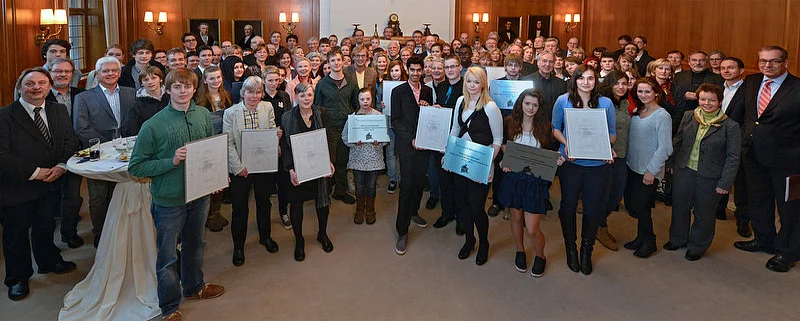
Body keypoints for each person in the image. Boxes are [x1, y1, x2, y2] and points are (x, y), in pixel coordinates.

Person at [128, 68, 225, 320]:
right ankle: (170, 307)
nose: (183, 91)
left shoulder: (203, 114)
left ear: (195, 89)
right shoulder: (153, 125)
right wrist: (170, 161)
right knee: (168, 256)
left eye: (188, 87)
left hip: (200, 195)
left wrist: (215, 177)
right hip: (169, 200)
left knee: (195, 245)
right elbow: (136, 167)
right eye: (178, 87)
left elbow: (209, 150)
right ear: (168, 89)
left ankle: (194, 287)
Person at [1, 67, 80, 301]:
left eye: (41, 83)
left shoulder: (58, 110)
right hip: (17, 186)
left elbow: (70, 140)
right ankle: (17, 278)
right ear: (19, 87)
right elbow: (2, 155)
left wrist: (62, 165)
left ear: (49, 87)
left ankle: (48, 261)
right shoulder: (5, 115)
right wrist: (36, 172)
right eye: (30, 84)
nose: (36, 88)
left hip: (51, 182)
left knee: (45, 226)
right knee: (16, 235)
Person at [734, 46, 800, 272]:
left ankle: (787, 252)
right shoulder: (751, 82)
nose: (767, 65)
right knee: (759, 200)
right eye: (762, 61)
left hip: (788, 160)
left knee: (789, 208)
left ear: (785, 63)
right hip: (753, 155)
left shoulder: (797, 87)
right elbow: (741, 113)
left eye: (773, 61)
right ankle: (764, 240)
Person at [551, 65, 616, 275]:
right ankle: (571, 247)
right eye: (581, 78)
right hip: (571, 162)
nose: (586, 82)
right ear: (574, 80)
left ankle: (587, 251)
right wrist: (567, 142)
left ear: (596, 81)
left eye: (590, 78)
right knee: (568, 206)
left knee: (592, 208)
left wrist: (606, 146)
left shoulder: (606, 103)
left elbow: (612, 133)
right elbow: (555, 129)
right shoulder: (563, 100)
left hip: (598, 165)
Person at [665, 83, 740, 261]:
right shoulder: (689, 116)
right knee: (680, 207)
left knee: (704, 213)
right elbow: (678, 140)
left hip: (710, 176)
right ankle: (678, 239)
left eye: (711, 100)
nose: (706, 103)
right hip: (685, 170)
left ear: (720, 101)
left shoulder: (731, 126)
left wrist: (725, 183)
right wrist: (671, 162)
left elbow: (733, 157)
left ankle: (697, 246)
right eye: (703, 99)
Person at [73, 56, 136, 248]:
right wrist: (110, 146)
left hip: (128, 153)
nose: (110, 74)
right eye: (105, 71)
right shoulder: (83, 97)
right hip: (99, 154)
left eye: (114, 70)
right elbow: (81, 128)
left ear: (119, 73)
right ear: (97, 74)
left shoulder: (131, 93)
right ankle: (100, 233)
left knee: (124, 192)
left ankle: (124, 231)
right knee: (99, 196)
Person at [498, 89, 562, 276]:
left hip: (535, 181)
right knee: (516, 218)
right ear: (521, 103)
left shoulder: (546, 127)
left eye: (535, 105)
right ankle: (520, 249)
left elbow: (552, 151)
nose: (530, 108)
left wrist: (556, 159)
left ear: (539, 107)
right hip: (514, 177)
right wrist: (507, 158)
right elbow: (503, 143)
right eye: (527, 103)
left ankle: (540, 255)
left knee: (533, 227)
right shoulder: (509, 122)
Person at [447, 66, 503, 266]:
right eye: (469, 81)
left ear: (483, 84)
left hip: (481, 163)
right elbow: (455, 128)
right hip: (460, 160)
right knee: (461, 202)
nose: (472, 85)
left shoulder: (490, 107)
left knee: (477, 206)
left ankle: (484, 242)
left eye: (476, 82)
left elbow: (498, 140)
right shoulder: (460, 101)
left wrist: (486, 163)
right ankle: (469, 240)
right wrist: (448, 153)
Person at [223, 76, 281, 266]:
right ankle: (238, 246)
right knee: (240, 208)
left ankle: (265, 236)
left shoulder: (267, 108)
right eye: (250, 92)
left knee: (264, 202)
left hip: (263, 166)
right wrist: (238, 167)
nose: (254, 96)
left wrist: (276, 135)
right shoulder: (231, 113)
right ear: (243, 93)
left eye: (258, 92)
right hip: (241, 168)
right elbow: (228, 143)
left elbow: (271, 130)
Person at [280, 82, 336, 261]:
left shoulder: (323, 114)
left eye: (309, 95)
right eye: (302, 95)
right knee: (296, 205)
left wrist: (329, 162)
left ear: (314, 96)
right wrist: (290, 169)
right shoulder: (287, 117)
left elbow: (329, 138)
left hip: (319, 166)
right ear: (296, 97)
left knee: (322, 203)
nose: (306, 99)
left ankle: (322, 234)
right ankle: (299, 241)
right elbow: (285, 146)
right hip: (298, 168)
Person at [624, 77, 673, 258]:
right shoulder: (637, 110)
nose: (643, 95)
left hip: (648, 170)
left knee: (641, 206)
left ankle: (650, 242)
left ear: (656, 93)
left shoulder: (662, 116)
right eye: (640, 91)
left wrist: (652, 170)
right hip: (633, 166)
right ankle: (640, 237)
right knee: (637, 205)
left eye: (647, 91)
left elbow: (665, 147)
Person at [391, 56, 433, 255]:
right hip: (408, 146)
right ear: (407, 70)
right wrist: (411, 140)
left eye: (419, 70)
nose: (416, 73)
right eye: (413, 70)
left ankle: (414, 211)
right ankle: (402, 230)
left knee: (418, 182)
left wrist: (428, 108)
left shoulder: (428, 91)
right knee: (406, 186)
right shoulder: (398, 91)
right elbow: (396, 122)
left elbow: (431, 118)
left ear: (423, 71)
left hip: (424, 145)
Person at [44, 58, 85, 248]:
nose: (62, 75)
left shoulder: (81, 95)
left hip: (75, 152)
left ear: (72, 74)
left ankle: (69, 234)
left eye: (67, 72)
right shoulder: (42, 95)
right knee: (47, 201)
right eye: (58, 71)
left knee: (72, 196)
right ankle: (47, 244)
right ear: (50, 73)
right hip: (47, 153)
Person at [314, 51, 360, 204]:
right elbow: (317, 107)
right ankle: (324, 192)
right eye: (332, 60)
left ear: (343, 62)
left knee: (342, 160)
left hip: (346, 126)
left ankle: (340, 191)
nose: (336, 63)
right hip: (328, 127)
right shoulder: (322, 84)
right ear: (328, 63)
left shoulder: (351, 82)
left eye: (338, 60)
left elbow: (356, 105)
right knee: (327, 160)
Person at [595, 70, 632, 251]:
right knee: (608, 195)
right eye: (617, 83)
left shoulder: (624, 103)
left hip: (622, 154)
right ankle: (599, 227)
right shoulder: (602, 103)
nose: (621, 87)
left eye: (624, 83)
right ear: (609, 84)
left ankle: (600, 224)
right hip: (607, 157)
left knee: (616, 195)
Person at [194, 66, 234, 232]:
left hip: (223, 141)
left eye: (218, 77)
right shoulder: (199, 99)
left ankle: (216, 211)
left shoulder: (227, 95)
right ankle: (208, 215)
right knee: (209, 179)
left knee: (221, 179)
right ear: (204, 80)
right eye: (211, 78)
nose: (215, 81)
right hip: (207, 142)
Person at [341, 88, 386, 224]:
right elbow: (344, 136)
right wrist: (354, 143)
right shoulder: (353, 118)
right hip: (357, 158)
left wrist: (380, 142)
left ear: (372, 99)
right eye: (362, 99)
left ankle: (370, 209)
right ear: (358, 100)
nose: (365, 102)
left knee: (371, 185)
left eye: (368, 99)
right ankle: (360, 209)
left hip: (374, 157)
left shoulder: (378, 116)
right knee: (359, 186)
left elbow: (385, 137)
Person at [719, 57, 750, 236]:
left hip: (738, 139)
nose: (726, 71)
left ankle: (743, 220)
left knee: (741, 182)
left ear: (741, 70)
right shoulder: (717, 86)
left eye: (731, 68)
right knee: (717, 174)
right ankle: (719, 209)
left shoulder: (749, 90)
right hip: (716, 137)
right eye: (723, 68)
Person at [261, 66, 293, 230]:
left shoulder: (284, 96)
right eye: (270, 80)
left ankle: (283, 211)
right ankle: (264, 218)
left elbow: (288, 120)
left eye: (277, 80)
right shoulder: (259, 97)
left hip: (283, 144)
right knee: (266, 184)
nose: (274, 83)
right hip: (265, 145)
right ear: (264, 80)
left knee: (284, 181)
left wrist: (282, 145)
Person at [120, 66, 169, 137]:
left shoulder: (171, 97)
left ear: (161, 79)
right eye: (146, 80)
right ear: (142, 83)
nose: (150, 82)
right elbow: (132, 131)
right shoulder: (137, 105)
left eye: (154, 78)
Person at [381, 59, 407, 194]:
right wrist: (381, 105)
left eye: (396, 70)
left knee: (402, 152)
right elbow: (377, 102)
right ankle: (392, 179)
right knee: (390, 152)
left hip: (402, 123)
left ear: (401, 71)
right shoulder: (382, 86)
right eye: (391, 70)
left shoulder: (407, 86)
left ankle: (402, 179)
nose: (394, 73)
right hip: (388, 120)